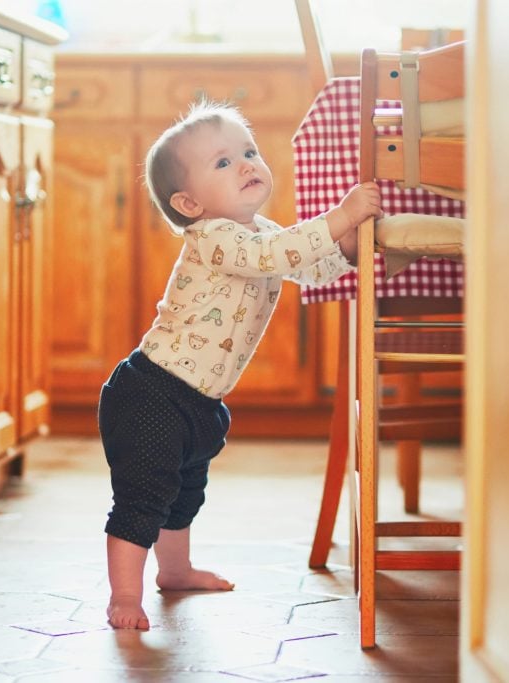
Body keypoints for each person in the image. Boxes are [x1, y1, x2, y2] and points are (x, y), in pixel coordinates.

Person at [98, 101, 382, 630]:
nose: (248, 164)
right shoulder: (215, 238)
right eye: (224, 163)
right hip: (153, 392)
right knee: (144, 497)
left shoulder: (258, 232)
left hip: (197, 398)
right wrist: (339, 216)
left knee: (184, 491)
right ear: (189, 203)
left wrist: (346, 247)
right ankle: (124, 597)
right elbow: (277, 253)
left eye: (249, 152)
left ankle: (175, 571)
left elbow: (306, 263)